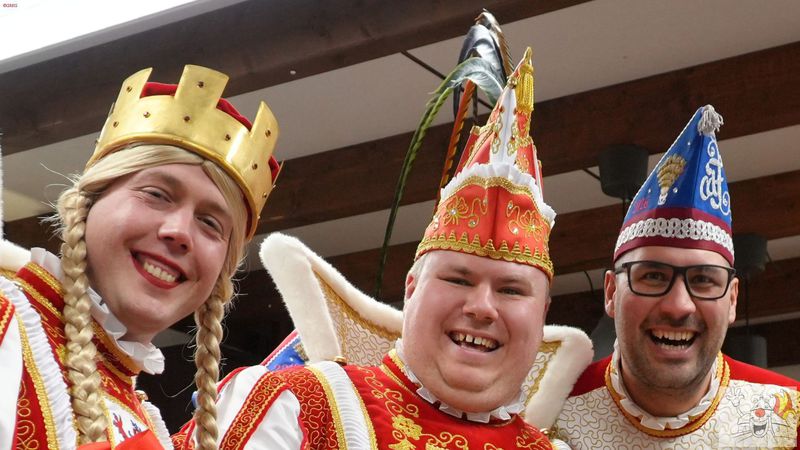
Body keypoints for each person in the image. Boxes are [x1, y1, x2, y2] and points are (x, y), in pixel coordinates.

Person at [173, 48, 569, 449]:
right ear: (411, 289)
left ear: (542, 315)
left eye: (511, 290)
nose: (481, 307)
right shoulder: (299, 406)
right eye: (458, 280)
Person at [0, 65, 280, 450]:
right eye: (157, 195)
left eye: (210, 223)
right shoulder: (7, 325)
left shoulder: (143, 416)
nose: (179, 232)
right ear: (88, 203)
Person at [554, 105, 799, 448]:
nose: (678, 305)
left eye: (703, 280)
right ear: (611, 292)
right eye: (653, 276)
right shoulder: (546, 416)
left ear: (732, 299)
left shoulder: (790, 419)